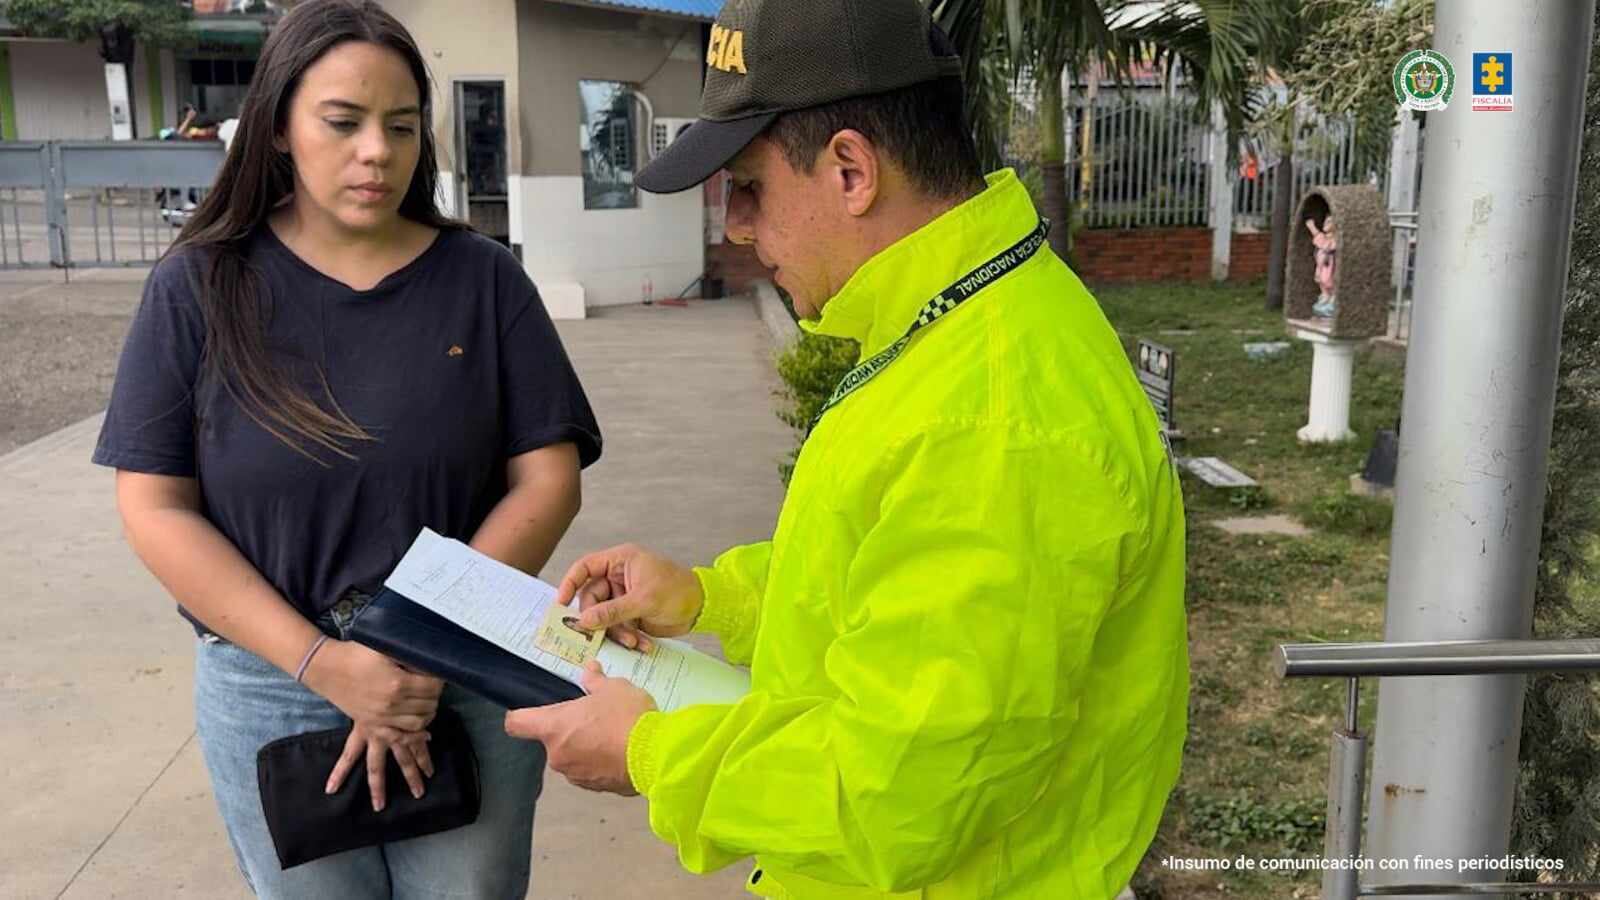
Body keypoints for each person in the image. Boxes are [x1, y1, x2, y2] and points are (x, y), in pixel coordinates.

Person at [502, 0, 1189, 897]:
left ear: (852, 170)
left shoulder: (991, 422)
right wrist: (715, 596)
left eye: (748, 186)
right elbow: (882, 575)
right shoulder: (960, 320)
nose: (738, 226)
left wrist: (650, 752)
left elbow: (897, 793)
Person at [93, 1, 600, 897]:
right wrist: (324, 664)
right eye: (344, 121)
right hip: (272, 682)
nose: (377, 150)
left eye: (401, 127)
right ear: (281, 126)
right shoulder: (199, 286)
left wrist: (415, 653)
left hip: (464, 674)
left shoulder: (483, 279)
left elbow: (547, 480)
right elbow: (155, 505)